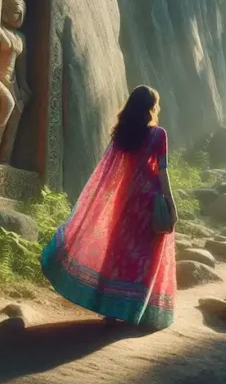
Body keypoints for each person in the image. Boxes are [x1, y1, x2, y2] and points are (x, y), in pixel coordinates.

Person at [40, 85, 178, 330]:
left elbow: (110, 172)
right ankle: (133, 310)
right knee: (144, 257)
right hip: (148, 204)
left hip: (125, 202)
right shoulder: (158, 135)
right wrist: (171, 204)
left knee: (118, 251)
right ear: (150, 107)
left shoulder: (122, 133)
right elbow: (163, 172)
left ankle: (110, 309)